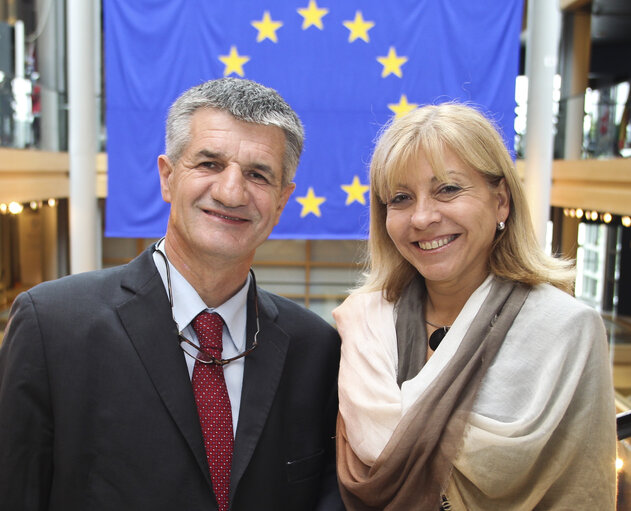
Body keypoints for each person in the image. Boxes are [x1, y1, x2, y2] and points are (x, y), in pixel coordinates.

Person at [0, 78, 344, 511]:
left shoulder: (315, 348)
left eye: (258, 175)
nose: (231, 192)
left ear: (280, 202)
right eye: (209, 164)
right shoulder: (53, 326)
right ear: (167, 177)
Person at [333, 103, 617, 510]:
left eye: (448, 189)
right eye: (401, 198)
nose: (422, 217)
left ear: (500, 201)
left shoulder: (565, 329)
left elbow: (582, 491)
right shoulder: (361, 321)